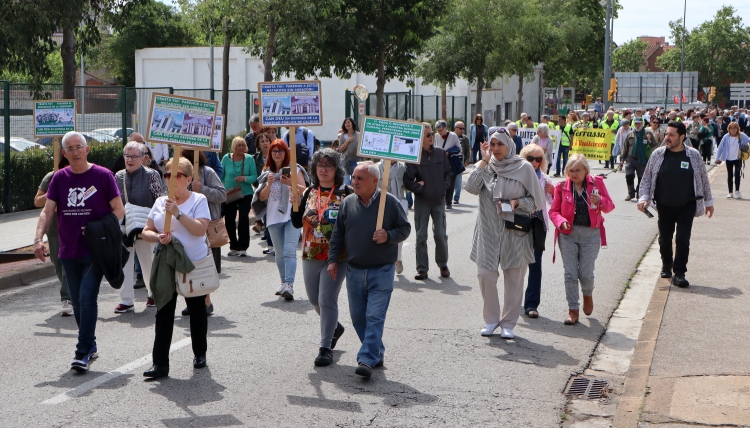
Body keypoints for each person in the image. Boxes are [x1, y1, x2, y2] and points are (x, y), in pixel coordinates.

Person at [33, 131, 125, 372]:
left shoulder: (103, 176)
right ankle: (91, 344)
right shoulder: (59, 179)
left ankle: (82, 351)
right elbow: (47, 211)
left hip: (94, 251)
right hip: (68, 251)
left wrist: (99, 229)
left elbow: (118, 210)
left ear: (87, 149)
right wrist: (37, 238)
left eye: (78, 147)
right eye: (70, 149)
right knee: (76, 303)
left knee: (87, 297)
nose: (75, 152)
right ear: (64, 153)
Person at [327, 161, 411, 378]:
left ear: (375, 181)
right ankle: (376, 350)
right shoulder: (347, 204)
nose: (354, 182)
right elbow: (338, 234)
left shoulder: (389, 203)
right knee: (358, 318)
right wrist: (333, 260)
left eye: (359, 178)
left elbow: (405, 229)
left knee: (374, 316)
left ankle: (367, 359)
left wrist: (388, 236)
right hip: (354, 271)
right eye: (353, 177)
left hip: (381, 271)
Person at [464, 130, 544, 339]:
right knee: (485, 276)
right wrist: (482, 161)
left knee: (514, 281)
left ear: (509, 144)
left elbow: (536, 202)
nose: (496, 148)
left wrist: (517, 203)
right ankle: (491, 320)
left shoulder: (524, 167)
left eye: (500, 144)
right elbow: (470, 187)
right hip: (488, 231)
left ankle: (508, 323)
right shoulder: (487, 166)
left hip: (515, 233)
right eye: (493, 144)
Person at [141, 157, 211, 379]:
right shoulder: (160, 201)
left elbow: (200, 230)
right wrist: (157, 237)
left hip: (192, 262)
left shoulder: (198, 200)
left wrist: (178, 213)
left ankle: (200, 353)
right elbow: (146, 230)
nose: (171, 179)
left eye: (177, 175)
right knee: (163, 310)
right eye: (168, 175)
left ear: (189, 179)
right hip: (166, 262)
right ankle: (160, 363)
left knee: (197, 309)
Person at [290, 148, 353, 367]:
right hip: (311, 253)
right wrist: (294, 204)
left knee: (327, 299)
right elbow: (298, 223)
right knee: (314, 300)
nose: (323, 169)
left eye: (328, 165)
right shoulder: (309, 192)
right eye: (319, 165)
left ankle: (325, 347)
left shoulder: (347, 193)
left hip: (337, 255)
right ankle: (334, 326)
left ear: (337, 169)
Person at [638, 121, 714, 287]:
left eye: (671, 135)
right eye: (666, 134)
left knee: (682, 238)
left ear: (682, 137)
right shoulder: (658, 154)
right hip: (664, 204)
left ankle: (679, 272)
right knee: (665, 239)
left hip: (687, 204)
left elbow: (703, 179)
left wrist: (709, 201)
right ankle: (667, 264)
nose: (667, 138)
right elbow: (647, 179)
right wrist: (644, 198)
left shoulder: (693, 155)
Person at [549, 154, 614, 325]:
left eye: (577, 170)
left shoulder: (597, 183)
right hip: (568, 235)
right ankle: (573, 310)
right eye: (570, 170)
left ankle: (587, 294)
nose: (573, 174)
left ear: (586, 170)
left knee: (585, 273)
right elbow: (553, 211)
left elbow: (610, 206)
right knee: (570, 273)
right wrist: (561, 221)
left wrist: (600, 200)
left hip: (590, 235)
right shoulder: (562, 186)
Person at [255, 140, 307, 299]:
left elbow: (305, 190)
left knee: (289, 250)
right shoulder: (267, 172)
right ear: (270, 154)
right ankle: (283, 281)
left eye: (281, 151)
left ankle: (289, 286)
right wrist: (269, 184)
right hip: (273, 217)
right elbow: (261, 197)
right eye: (274, 151)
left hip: (292, 215)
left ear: (286, 153)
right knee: (279, 253)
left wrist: (290, 182)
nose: (277, 153)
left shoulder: (295, 169)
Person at [114, 142, 162, 313]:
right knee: (125, 261)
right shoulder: (118, 176)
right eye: (127, 156)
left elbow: (159, 200)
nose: (130, 159)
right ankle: (126, 300)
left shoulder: (152, 175)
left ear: (143, 158)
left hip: (144, 224)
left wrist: (157, 224)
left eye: (134, 156)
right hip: (125, 225)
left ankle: (153, 293)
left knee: (147, 259)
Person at [180, 149, 226, 316]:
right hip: (185, 226)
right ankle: (192, 299)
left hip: (207, 226)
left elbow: (222, 195)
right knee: (187, 264)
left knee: (204, 265)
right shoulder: (179, 176)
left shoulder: (207, 172)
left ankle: (205, 302)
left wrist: (203, 189)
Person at [404, 122, 452, 280]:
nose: (432, 137)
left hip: (438, 200)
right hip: (422, 202)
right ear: (420, 138)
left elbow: (448, 174)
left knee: (440, 234)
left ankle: (443, 264)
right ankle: (422, 269)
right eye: (428, 135)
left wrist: (442, 186)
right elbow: (408, 181)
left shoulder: (440, 153)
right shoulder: (413, 157)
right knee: (421, 236)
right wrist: (419, 188)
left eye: (432, 134)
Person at [34, 155, 72, 316]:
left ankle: (67, 298)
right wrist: (52, 193)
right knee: (58, 263)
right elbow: (37, 201)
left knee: (67, 262)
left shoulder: (82, 175)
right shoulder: (52, 177)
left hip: (73, 227)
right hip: (54, 228)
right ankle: (72, 292)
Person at [519, 145, 553, 318]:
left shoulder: (546, 179)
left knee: (535, 264)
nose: (534, 162)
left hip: (538, 223)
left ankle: (531, 304)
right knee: (516, 263)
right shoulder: (516, 176)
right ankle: (514, 300)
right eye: (530, 158)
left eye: (538, 159)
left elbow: (552, 204)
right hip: (518, 222)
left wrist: (553, 193)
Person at [221, 137, 258, 257]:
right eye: (239, 145)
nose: (241, 148)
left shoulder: (249, 159)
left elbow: (254, 176)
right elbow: (221, 176)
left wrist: (245, 178)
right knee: (229, 219)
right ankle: (233, 245)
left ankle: (243, 247)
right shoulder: (226, 158)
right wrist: (220, 190)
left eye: (243, 145)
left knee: (243, 217)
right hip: (229, 192)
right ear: (234, 146)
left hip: (245, 193)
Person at [378, 159, 409, 274]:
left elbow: (407, 186)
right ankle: (383, 261)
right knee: (381, 233)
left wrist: (417, 183)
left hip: (399, 204)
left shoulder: (402, 168)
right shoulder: (377, 168)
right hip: (381, 205)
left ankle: (398, 259)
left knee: (398, 235)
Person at [621, 117, 659, 201]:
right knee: (629, 176)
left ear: (642, 124)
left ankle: (639, 194)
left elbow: (654, 145)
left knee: (641, 178)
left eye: (639, 124)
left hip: (642, 160)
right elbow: (625, 147)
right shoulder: (630, 133)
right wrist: (622, 159)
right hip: (631, 159)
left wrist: (649, 140)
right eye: (636, 124)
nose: (637, 125)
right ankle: (631, 193)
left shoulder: (647, 133)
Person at [715, 121, 748, 199]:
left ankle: (737, 191)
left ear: (737, 129)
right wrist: (717, 158)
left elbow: (749, 140)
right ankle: (730, 192)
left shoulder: (741, 135)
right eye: (731, 128)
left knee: (737, 174)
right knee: (730, 175)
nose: (733, 130)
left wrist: (746, 147)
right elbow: (720, 147)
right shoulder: (726, 137)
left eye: (735, 128)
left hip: (738, 158)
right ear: (729, 129)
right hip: (729, 158)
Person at [434, 119, 461, 209]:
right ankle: (441, 199)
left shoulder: (453, 136)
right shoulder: (436, 136)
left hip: (451, 161)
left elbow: (459, 149)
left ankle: (448, 201)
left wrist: (449, 152)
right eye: (437, 130)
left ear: (446, 128)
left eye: (441, 130)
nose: (439, 132)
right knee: (439, 181)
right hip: (439, 162)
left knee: (450, 182)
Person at [337, 117, 360, 185]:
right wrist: (348, 141)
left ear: (352, 124)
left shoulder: (358, 135)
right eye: (345, 123)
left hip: (356, 161)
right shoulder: (342, 136)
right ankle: (346, 194)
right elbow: (340, 150)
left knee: (356, 180)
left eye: (349, 122)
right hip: (345, 161)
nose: (347, 124)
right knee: (346, 181)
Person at [454, 121, 470, 205]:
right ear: (455, 128)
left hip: (460, 161)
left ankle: (456, 198)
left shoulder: (465, 139)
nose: (462, 130)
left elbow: (467, 151)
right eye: (460, 128)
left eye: (463, 128)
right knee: (448, 180)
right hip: (451, 161)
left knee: (458, 181)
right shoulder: (450, 136)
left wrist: (467, 160)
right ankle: (447, 198)